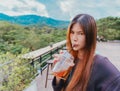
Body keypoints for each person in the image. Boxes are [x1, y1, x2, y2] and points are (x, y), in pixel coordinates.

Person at [52, 14, 120, 91]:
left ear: (89, 35)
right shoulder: (71, 59)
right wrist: (59, 73)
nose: (74, 38)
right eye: (72, 32)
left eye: (80, 33)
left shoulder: (100, 63)